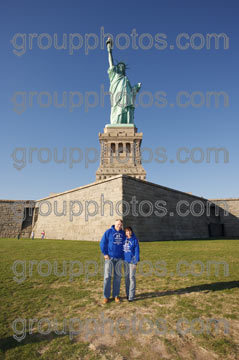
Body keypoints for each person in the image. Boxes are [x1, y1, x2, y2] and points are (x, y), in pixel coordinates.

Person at [100, 219, 125, 304]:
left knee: (117, 277)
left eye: (120, 225)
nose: (119, 226)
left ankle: (116, 295)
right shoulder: (109, 232)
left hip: (119, 258)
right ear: (114, 224)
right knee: (107, 277)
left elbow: (127, 243)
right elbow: (103, 243)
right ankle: (106, 296)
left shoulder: (123, 233)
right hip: (109, 258)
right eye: (118, 224)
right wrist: (105, 253)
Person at [123, 226, 140, 302]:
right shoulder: (124, 239)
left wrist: (135, 261)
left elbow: (137, 251)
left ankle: (131, 296)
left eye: (129, 231)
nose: (128, 232)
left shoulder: (135, 240)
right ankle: (127, 294)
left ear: (131, 232)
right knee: (126, 278)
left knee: (131, 278)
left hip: (132, 261)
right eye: (126, 231)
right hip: (125, 261)